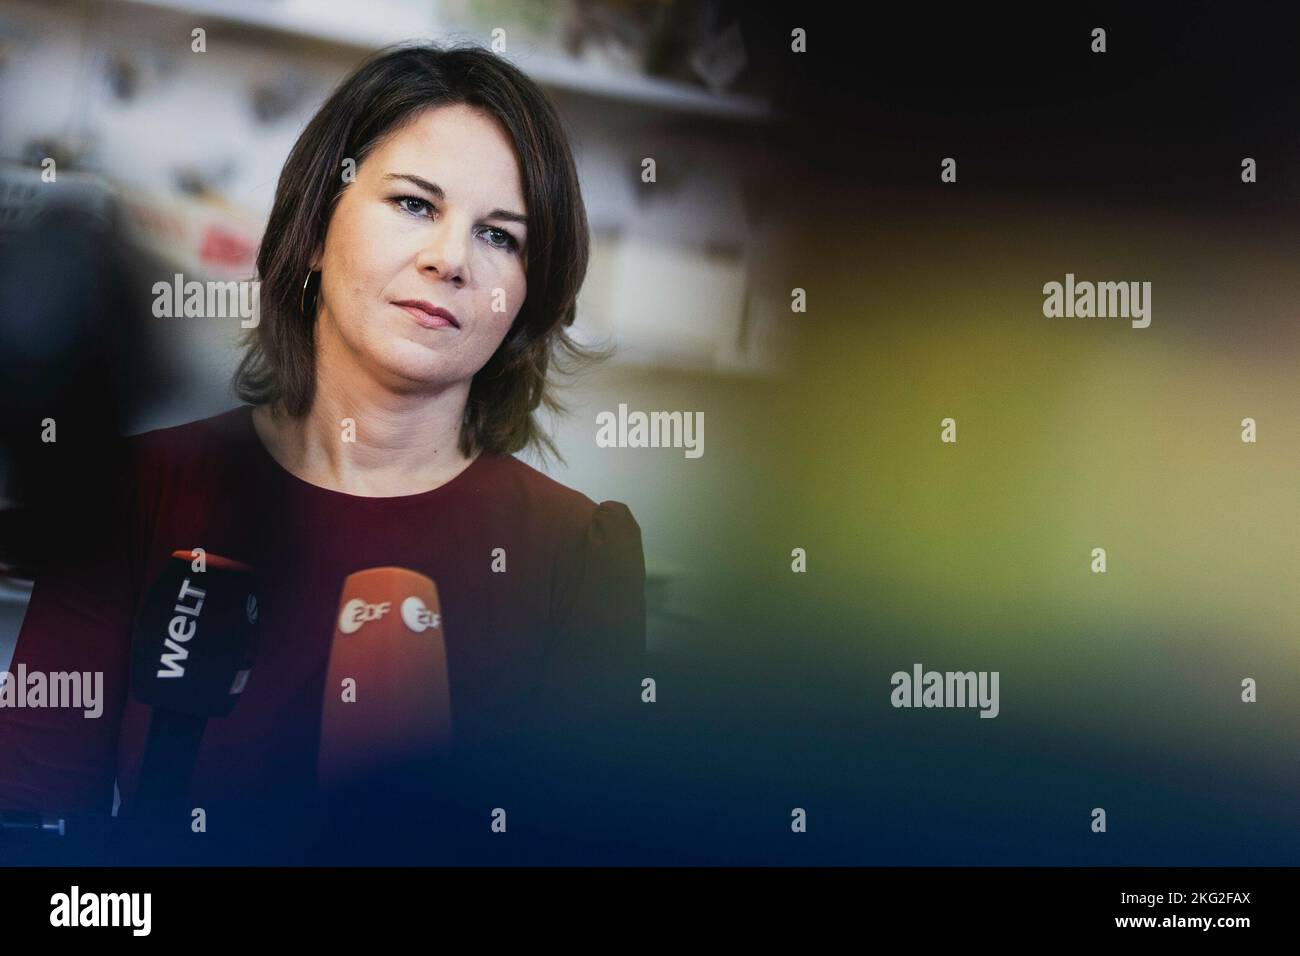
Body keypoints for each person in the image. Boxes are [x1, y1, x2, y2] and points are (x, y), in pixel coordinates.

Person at [0, 44, 645, 861]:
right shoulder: (132, 493)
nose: (450, 259)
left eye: (500, 237)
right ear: (313, 234)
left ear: (523, 302)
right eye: (415, 204)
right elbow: (37, 843)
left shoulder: (580, 555)